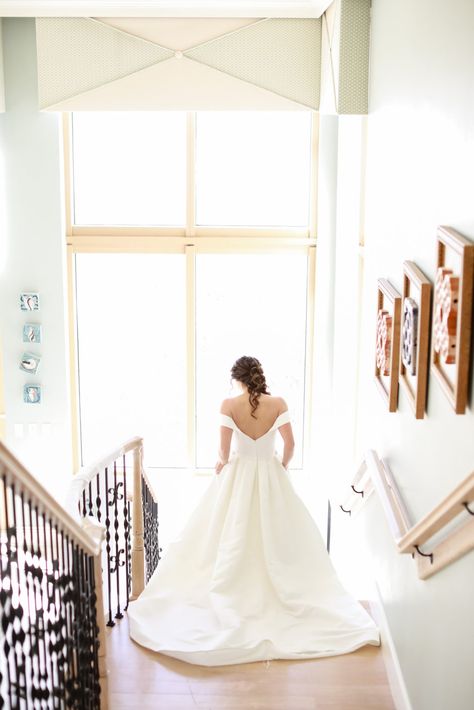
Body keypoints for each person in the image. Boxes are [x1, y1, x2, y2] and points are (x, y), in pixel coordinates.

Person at [127, 356, 380, 666]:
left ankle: (235, 593)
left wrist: (222, 461)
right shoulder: (279, 403)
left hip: (240, 475)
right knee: (278, 536)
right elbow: (290, 445)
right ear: (259, 376)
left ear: (237, 379)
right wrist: (281, 465)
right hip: (271, 475)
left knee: (229, 534)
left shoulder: (228, 404)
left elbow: (223, 452)